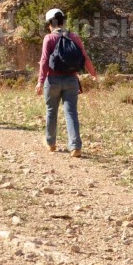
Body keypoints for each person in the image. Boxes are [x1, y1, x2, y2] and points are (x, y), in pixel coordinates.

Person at [36, 8, 97, 158]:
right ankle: (75, 147)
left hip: (53, 80)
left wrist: (40, 82)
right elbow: (84, 57)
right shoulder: (74, 37)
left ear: (50, 23)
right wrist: (93, 73)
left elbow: (44, 61)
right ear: (63, 21)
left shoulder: (49, 38)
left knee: (51, 111)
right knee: (71, 113)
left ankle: (51, 143)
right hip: (71, 80)